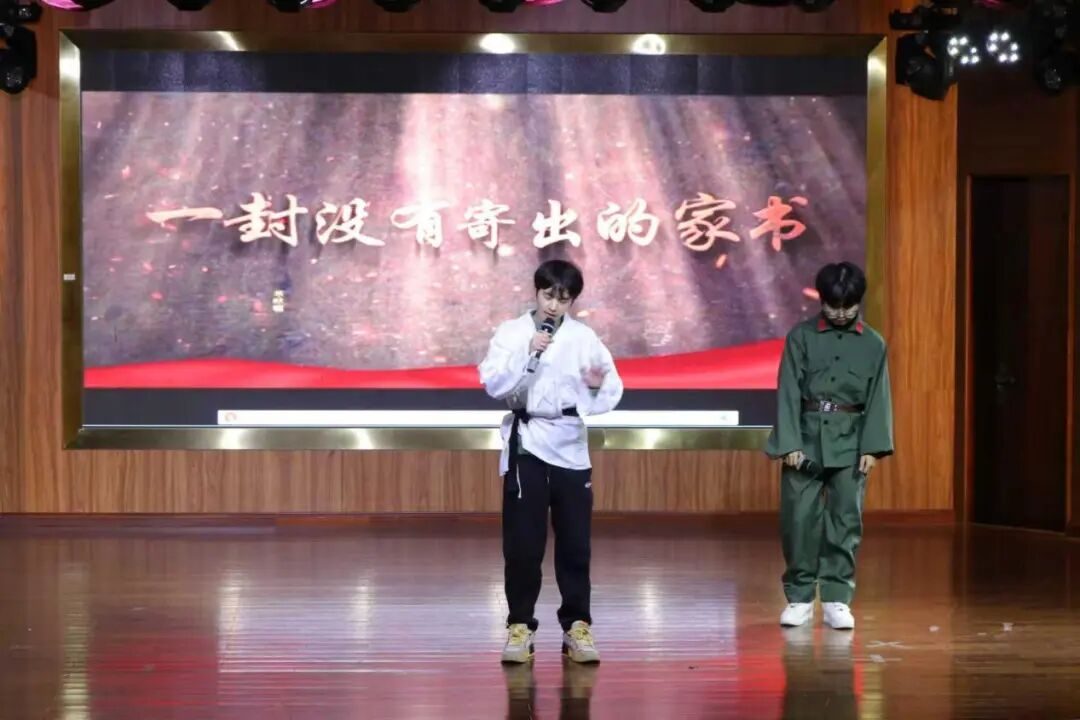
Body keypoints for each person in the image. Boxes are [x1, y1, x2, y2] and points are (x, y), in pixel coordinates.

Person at [478, 258, 623, 664]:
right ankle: (519, 626)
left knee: (575, 543)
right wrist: (527, 353)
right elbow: (493, 383)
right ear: (536, 292)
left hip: (569, 445)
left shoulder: (584, 338)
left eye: (563, 299)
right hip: (527, 444)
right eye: (548, 296)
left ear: (572, 301)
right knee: (523, 544)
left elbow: (609, 388)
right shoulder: (512, 332)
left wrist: (594, 387)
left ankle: (577, 625)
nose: (553, 306)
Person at [764, 261, 893, 630]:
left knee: (845, 521)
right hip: (804, 441)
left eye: (848, 306)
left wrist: (872, 448)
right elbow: (788, 390)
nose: (840, 313)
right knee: (798, 521)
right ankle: (800, 597)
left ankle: (837, 598)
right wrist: (789, 442)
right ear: (820, 300)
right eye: (833, 305)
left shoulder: (873, 344)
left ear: (858, 302)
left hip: (851, 442)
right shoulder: (800, 337)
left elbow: (879, 397)